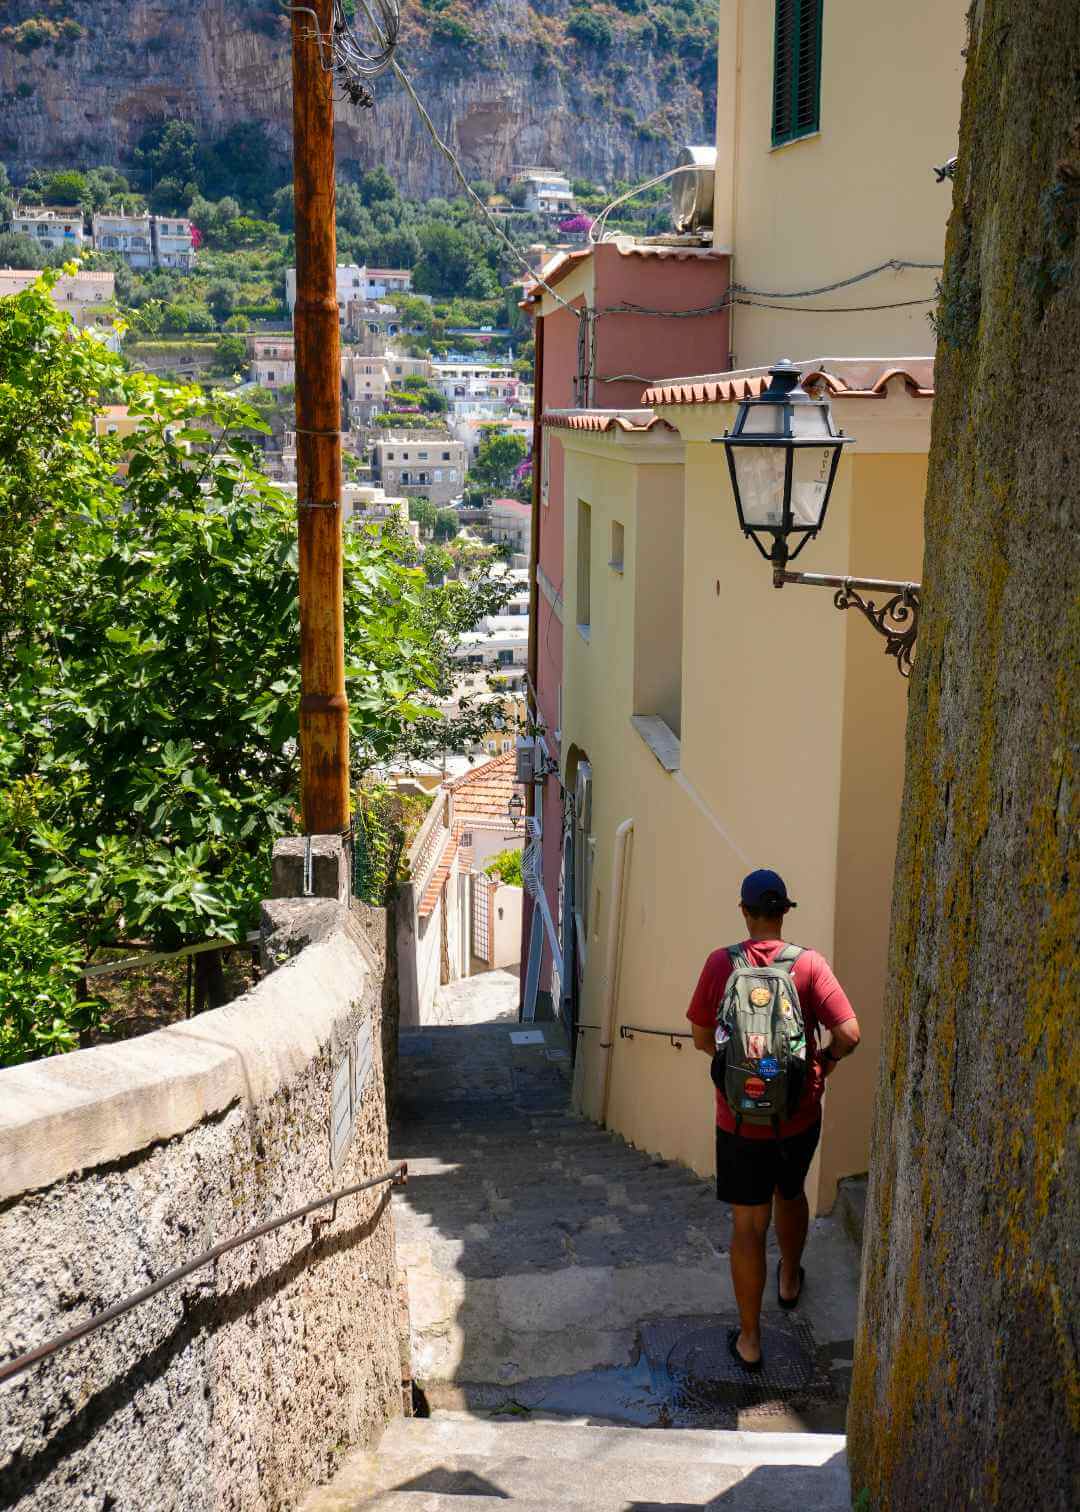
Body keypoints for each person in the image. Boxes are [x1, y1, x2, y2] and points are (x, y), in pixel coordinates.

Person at [687, 869, 860, 1370]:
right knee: (792, 1192)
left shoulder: (722, 964)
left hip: (738, 1123)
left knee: (747, 1225)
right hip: (797, 1117)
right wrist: (822, 1064)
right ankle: (789, 1278)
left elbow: (701, 1036)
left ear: (745, 912)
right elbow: (849, 1032)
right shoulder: (809, 966)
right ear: (784, 912)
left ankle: (750, 1339)